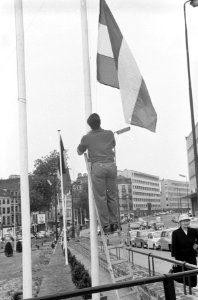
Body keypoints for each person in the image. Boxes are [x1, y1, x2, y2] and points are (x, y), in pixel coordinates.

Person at [77, 113, 118, 234]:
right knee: (112, 195)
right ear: (100, 122)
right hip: (111, 166)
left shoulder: (86, 138)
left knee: (100, 197)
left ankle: (105, 225)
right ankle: (114, 223)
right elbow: (113, 144)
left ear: (89, 125)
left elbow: (79, 151)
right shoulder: (110, 133)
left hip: (98, 167)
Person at [171, 213, 198, 287]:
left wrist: (196, 245)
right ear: (180, 222)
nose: (186, 222)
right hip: (180, 258)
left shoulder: (193, 231)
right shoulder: (175, 233)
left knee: (192, 276)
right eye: (184, 221)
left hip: (191, 256)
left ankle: (192, 290)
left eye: (187, 220)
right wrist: (174, 259)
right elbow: (174, 246)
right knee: (183, 277)